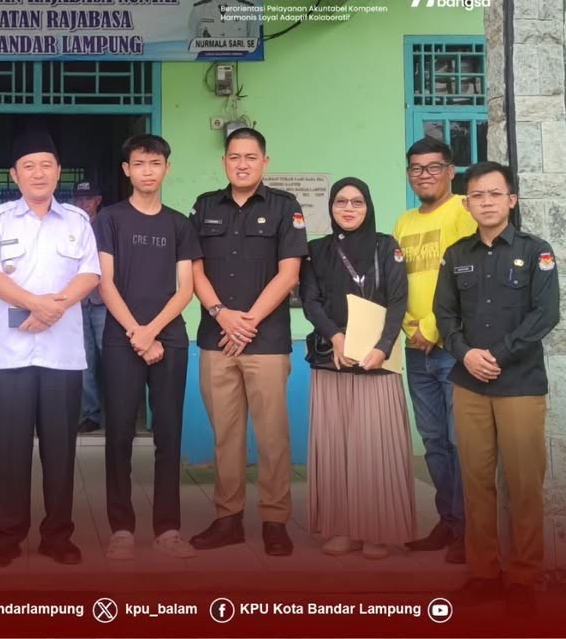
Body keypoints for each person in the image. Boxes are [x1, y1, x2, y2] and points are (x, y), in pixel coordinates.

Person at [434, 161, 560, 615]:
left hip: (520, 385)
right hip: (469, 384)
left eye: (494, 194)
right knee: (476, 482)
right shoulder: (456, 255)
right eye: (476, 196)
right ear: (466, 204)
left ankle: (523, 576)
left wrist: (498, 355)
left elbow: (545, 315)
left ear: (511, 200)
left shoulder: (536, 251)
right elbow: (444, 314)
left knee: (524, 484)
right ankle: (483, 573)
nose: (485, 202)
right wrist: (466, 354)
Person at [0, 126, 100, 568]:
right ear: (15, 174)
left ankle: (57, 536)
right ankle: (7, 536)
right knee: (9, 450)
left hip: (62, 355)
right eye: (29, 166)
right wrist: (37, 304)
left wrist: (53, 307)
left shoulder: (78, 221)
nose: (38, 173)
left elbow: (90, 274)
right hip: (10, 353)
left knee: (60, 450)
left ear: (58, 171)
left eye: (46, 165)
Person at [187, 127, 307, 557]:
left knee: (273, 436)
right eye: (234, 157)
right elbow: (193, 269)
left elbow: (289, 274)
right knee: (226, 436)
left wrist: (248, 322)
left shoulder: (285, 207)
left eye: (251, 157)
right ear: (224, 162)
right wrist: (221, 314)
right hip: (216, 339)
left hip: (266, 341)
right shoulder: (204, 206)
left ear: (264, 162)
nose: (242, 164)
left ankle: (275, 520)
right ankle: (228, 518)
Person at [299, 178, 416, 560]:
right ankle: (342, 529)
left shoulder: (386, 247)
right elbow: (310, 301)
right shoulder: (317, 250)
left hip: (377, 362)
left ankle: (377, 532)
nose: (348, 209)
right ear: (331, 208)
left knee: (374, 447)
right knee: (336, 447)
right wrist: (336, 338)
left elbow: (398, 300)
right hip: (332, 360)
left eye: (357, 202)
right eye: (341, 202)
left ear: (368, 207)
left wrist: (383, 347)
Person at [97, 134, 201, 561]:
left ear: (167, 169)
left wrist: (152, 331)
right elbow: (104, 283)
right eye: (139, 163)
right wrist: (137, 334)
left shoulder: (179, 224)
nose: (147, 171)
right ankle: (121, 529)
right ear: (127, 170)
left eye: (155, 163)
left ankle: (168, 529)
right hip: (121, 338)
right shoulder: (109, 219)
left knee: (169, 434)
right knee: (119, 434)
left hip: (169, 338)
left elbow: (186, 288)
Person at [393, 136, 478, 564]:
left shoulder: (463, 211)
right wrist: (407, 326)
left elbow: (468, 278)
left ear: (450, 171)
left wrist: (429, 326)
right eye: (415, 168)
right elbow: (395, 282)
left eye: (432, 167)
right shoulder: (404, 223)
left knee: (461, 441)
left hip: (451, 347)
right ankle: (449, 521)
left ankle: (471, 530)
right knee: (433, 440)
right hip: (415, 348)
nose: (423, 175)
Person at [72, 178, 106, 433]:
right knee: (84, 361)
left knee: (113, 359)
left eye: (89, 199)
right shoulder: (70, 226)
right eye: (80, 199)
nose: (84, 203)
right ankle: (91, 414)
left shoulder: (109, 224)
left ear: (98, 200)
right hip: (77, 303)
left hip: (104, 303)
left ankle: (120, 414)